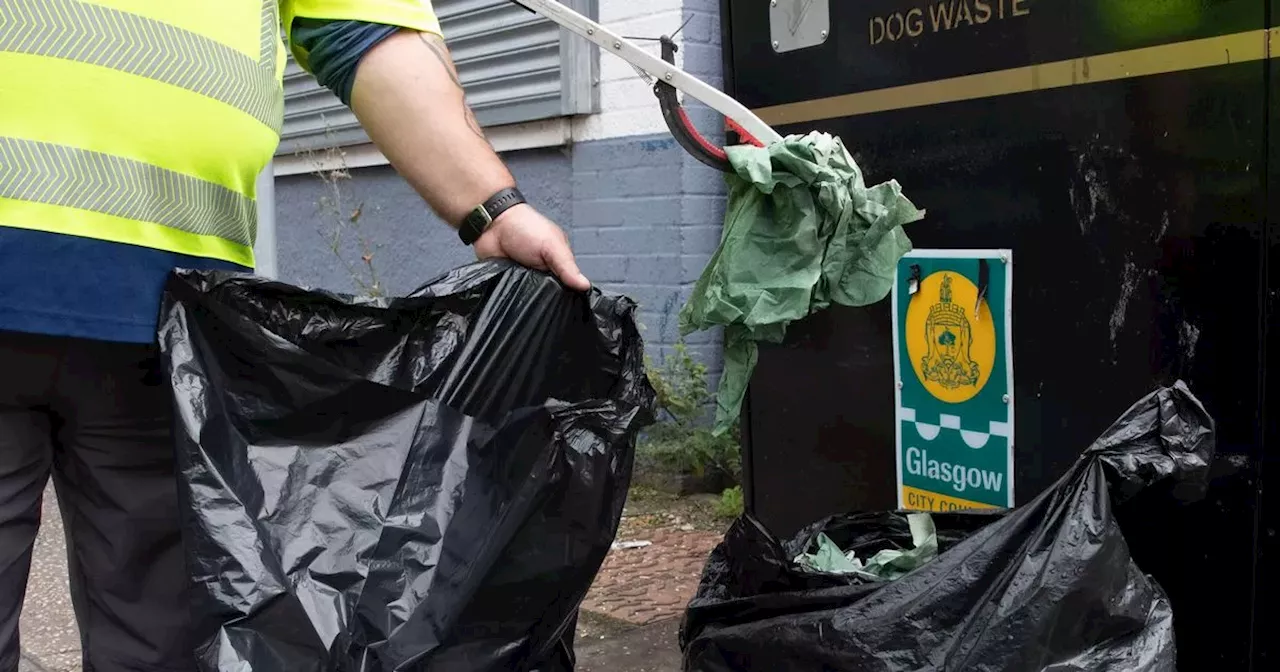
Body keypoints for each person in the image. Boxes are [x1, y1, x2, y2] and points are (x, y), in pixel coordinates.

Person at [0, 2, 590, 670]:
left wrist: (492, 208)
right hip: (165, 312)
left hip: (176, 324)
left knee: (169, 641)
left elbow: (362, 29)